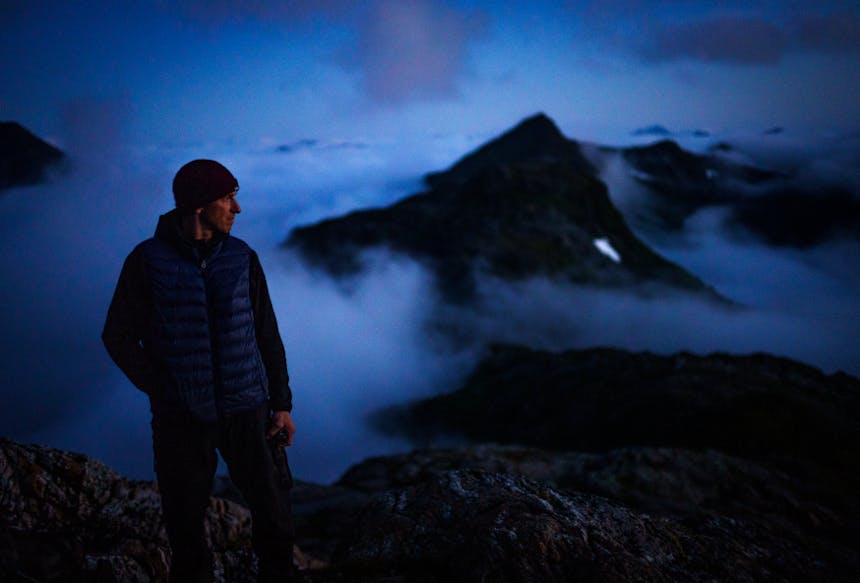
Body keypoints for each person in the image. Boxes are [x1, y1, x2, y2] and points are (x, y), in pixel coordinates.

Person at [102, 159, 296, 582]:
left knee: (274, 512)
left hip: (249, 408)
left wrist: (281, 404)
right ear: (197, 205)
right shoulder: (147, 262)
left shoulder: (243, 258)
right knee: (186, 525)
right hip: (181, 419)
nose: (237, 208)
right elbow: (116, 336)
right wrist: (162, 388)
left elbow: (267, 334)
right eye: (227, 197)